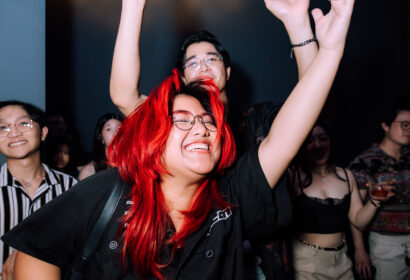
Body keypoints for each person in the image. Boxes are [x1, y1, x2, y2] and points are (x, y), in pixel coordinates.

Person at [2, 1, 355, 276]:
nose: (201, 128)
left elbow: (301, 117)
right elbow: (36, 249)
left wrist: (328, 48)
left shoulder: (233, 188)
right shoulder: (112, 191)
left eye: (207, 122)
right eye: (182, 121)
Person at [110, 0, 319, 277]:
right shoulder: (173, 123)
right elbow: (124, 96)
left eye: (212, 58)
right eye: (193, 62)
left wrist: (298, 24)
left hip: (257, 257)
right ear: (183, 77)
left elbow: (314, 96)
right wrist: (133, 7)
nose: (203, 66)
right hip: (191, 255)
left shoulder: (258, 119)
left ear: (228, 71)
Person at [287, 122, 394, 279]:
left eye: (322, 138)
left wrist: (375, 201)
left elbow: (358, 221)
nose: (317, 145)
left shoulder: (346, 175)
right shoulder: (294, 175)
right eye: (309, 141)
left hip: (342, 260)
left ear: (330, 141)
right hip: (306, 261)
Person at [0, 101, 78, 280]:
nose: (13, 133)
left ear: (43, 132)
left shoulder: (69, 187)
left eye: (23, 123)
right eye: (3, 127)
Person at [348, 100, 410, 280]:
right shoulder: (364, 163)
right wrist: (360, 251)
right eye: (404, 124)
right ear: (385, 125)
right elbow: (355, 216)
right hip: (386, 243)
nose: (409, 129)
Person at [78, 113, 124, 180]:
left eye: (119, 128)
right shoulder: (89, 172)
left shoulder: (132, 167)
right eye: (108, 129)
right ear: (100, 137)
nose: (115, 134)